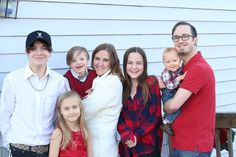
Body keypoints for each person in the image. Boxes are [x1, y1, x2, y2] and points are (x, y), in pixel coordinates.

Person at [0, 30, 67, 157]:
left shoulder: (59, 81)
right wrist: (8, 142)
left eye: (44, 48)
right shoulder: (13, 79)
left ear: (50, 52)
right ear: (27, 52)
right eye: (33, 48)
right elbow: (4, 113)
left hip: (49, 149)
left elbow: (62, 116)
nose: (39, 53)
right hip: (18, 148)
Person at [162, 21, 216, 156]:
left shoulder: (198, 68)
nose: (180, 41)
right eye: (176, 37)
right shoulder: (181, 69)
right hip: (181, 142)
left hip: (193, 146)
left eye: (185, 36)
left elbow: (172, 106)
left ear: (195, 40)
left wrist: (165, 103)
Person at [117, 47, 163, 157]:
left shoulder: (151, 83)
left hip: (148, 146)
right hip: (127, 146)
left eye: (138, 63)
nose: (134, 67)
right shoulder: (120, 87)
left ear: (144, 65)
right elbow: (117, 116)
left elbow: (155, 116)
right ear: (125, 65)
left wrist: (136, 135)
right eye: (130, 63)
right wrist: (127, 135)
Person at [82, 43, 124, 157]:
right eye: (97, 58)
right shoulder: (98, 79)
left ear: (112, 62)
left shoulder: (112, 81)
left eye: (105, 60)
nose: (99, 64)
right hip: (92, 144)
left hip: (102, 147)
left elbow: (86, 110)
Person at [49, 91, 93, 157]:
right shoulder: (59, 133)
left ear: (80, 107)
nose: (71, 112)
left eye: (74, 107)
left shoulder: (85, 131)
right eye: (66, 108)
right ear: (61, 111)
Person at [160, 47, 186, 136]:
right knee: (177, 108)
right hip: (168, 93)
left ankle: (166, 119)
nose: (172, 64)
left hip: (174, 92)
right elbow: (170, 86)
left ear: (180, 60)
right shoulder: (166, 73)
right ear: (164, 63)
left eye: (174, 60)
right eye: (168, 62)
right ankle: (166, 122)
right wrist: (179, 78)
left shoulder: (179, 69)